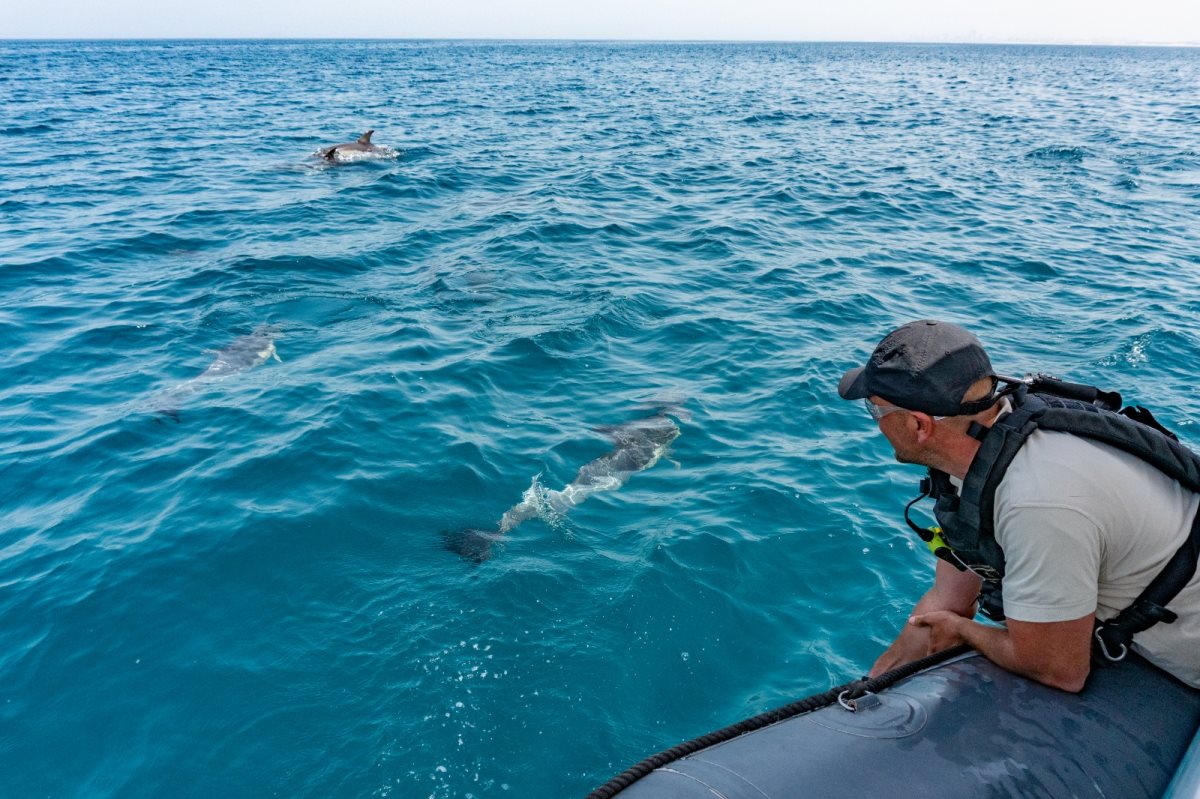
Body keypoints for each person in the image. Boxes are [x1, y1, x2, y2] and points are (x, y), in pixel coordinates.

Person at [838, 319, 1200, 692]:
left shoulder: (1037, 501)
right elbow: (948, 599)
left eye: (875, 411)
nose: (875, 424)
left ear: (919, 426)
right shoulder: (987, 443)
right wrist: (869, 686)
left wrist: (963, 631)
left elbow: (1060, 670)